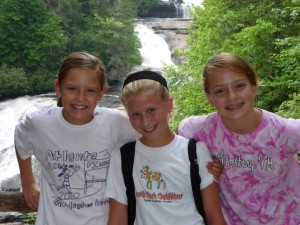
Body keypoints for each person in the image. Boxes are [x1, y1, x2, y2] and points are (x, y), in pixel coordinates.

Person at [14, 52, 138, 225]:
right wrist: (28, 182)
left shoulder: (115, 123)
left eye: (90, 91)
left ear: (102, 92)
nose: (80, 98)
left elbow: (150, 137)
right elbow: (21, 140)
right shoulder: (38, 123)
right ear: (58, 87)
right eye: (72, 89)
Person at [177, 52, 300, 224]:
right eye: (220, 91)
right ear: (210, 97)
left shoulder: (284, 132)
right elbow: (179, 136)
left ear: (254, 87)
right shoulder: (202, 130)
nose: (231, 96)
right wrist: (200, 159)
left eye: (239, 86)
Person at [104, 68, 225, 225]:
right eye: (136, 114)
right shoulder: (122, 157)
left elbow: (214, 216)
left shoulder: (195, 152)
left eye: (151, 110)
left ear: (169, 105)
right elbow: (118, 219)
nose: (146, 121)